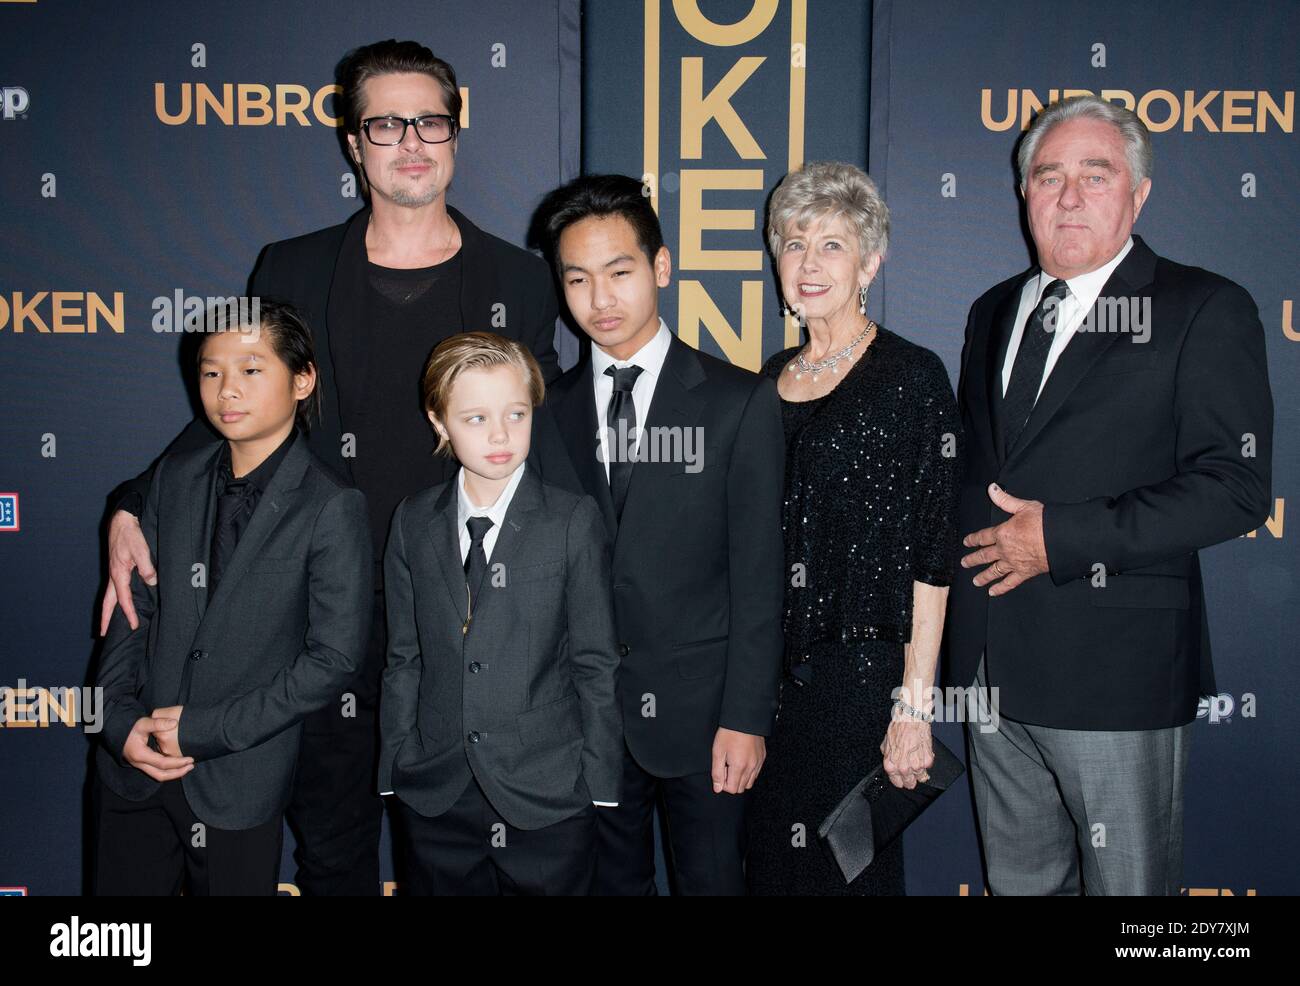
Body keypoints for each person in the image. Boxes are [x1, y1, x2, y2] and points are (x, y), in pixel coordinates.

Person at [98, 39, 570, 894]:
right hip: (316, 617)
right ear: (353, 143)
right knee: (332, 846)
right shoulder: (293, 267)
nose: (411, 140)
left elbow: (552, 446)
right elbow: (240, 411)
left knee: (453, 854)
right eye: (385, 124)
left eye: (430, 119)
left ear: (456, 132)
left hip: (462, 615)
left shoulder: (519, 278)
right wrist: (134, 502)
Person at [948, 94, 1273, 895]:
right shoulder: (993, 310)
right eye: (1047, 177)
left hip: (1114, 675)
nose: (1068, 196)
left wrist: (1061, 539)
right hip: (990, 669)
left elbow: (1235, 488)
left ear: (1140, 193)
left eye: (1096, 175)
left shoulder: (1203, 307)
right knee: (1020, 886)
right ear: (1023, 194)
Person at [536, 174, 785, 895]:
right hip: (586, 724)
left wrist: (746, 718)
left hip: (705, 722)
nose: (600, 299)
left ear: (662, 267)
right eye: (577, 279)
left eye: (620, 272)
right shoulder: (550, 414)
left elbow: (760, 577)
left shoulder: (738, 402)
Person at [93, 300, 372, 895]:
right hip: (131, 771)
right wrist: (117, 720)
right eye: (211, 371)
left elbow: (333, 659)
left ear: (303, 380)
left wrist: (206, 730)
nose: (226, 390)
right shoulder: (171, 478)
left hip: (238, 779)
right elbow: (132, 603)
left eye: (251, 370)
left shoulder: (330, 505)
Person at [744, 162, 959, 896]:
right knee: (773, 872)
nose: (807, 264)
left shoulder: (910, 376)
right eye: (793, 243)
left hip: (861, 684)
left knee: (848, 880)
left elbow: (934, 553)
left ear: (870, 262)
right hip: (771, 687)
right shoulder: (770, 376)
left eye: (832, 245)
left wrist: (912, 706)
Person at [379, 332, 621, 895]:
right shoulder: (413, 521)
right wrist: (395, 764)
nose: (500, 436)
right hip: (435, 793)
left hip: (548, 796)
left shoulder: (571, 520)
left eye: (516, 413)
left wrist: (598, 784)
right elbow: (403, 657)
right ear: (439, 422)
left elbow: (595, 661)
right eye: (475, 418)